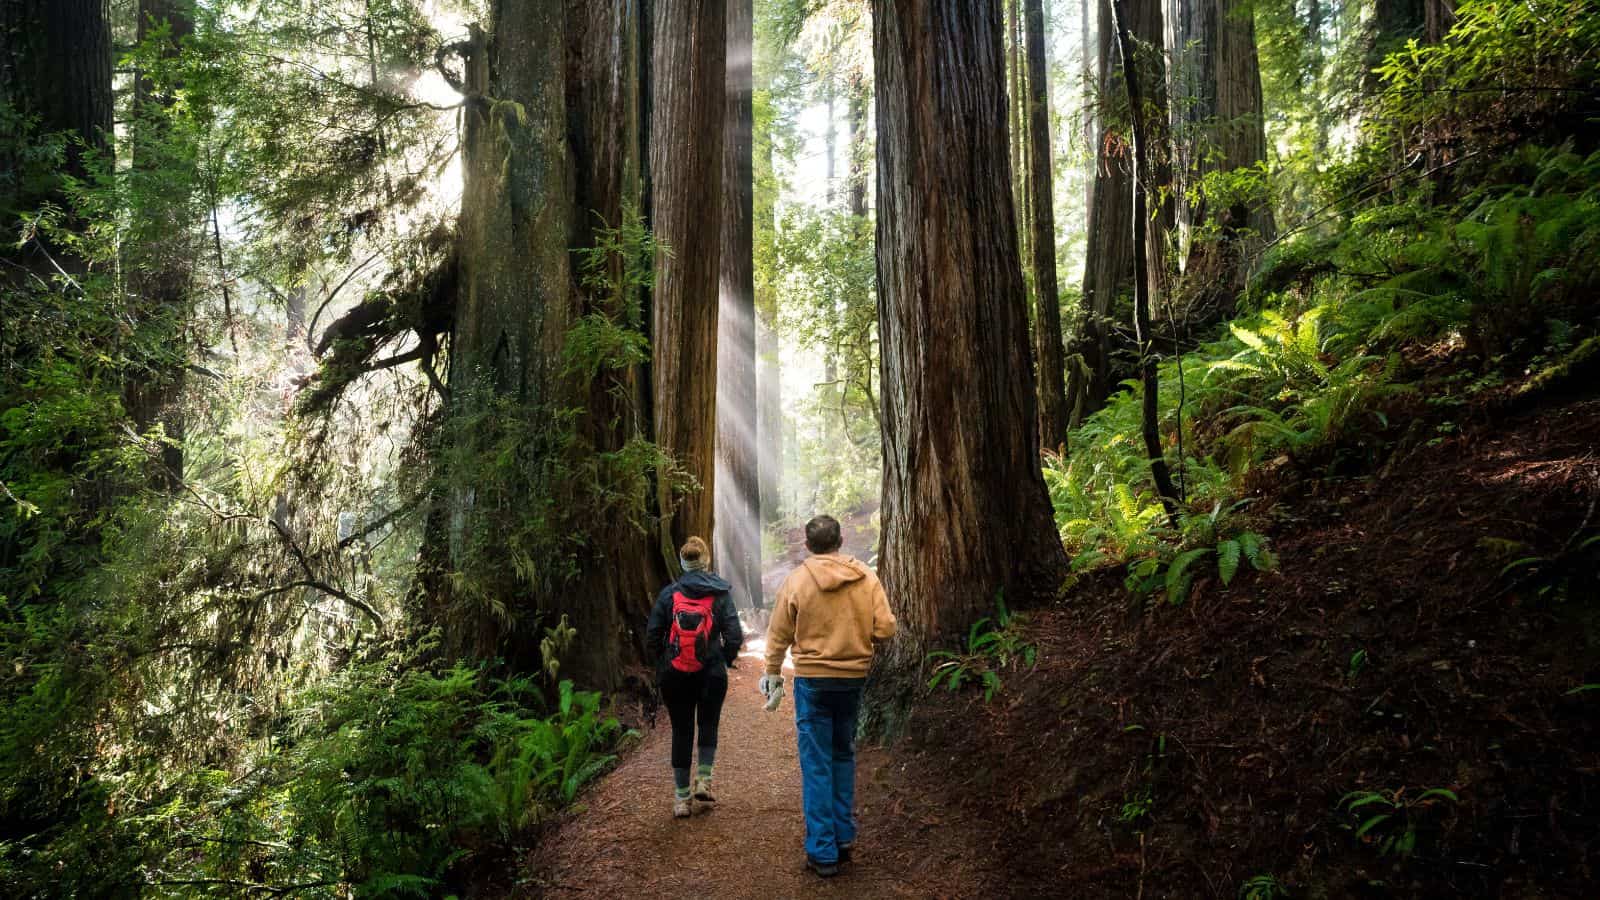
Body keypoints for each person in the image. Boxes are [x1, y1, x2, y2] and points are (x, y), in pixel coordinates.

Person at [760, 515, 897, 877]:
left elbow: (777, 635)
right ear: (841, 540)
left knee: (817, 764)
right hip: (852, 680)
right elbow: (886, 628)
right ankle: (843, 838)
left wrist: (772, 671)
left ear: (808, 545)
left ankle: (822, 852)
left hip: (813, 682)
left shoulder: (798, 580)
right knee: (843, 755)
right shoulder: (865, 578)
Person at [646, 536, 743, 818]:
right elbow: (734, 636)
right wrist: (723, 659)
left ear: (683, 563)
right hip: (711, 673)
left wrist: (666, 661)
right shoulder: (720, 593)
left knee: (682, 730)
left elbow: (652, 637)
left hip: (675, 675)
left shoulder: (669, 594)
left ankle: (681, 799)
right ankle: (704, 780)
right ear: (706, 560)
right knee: (708, 724)